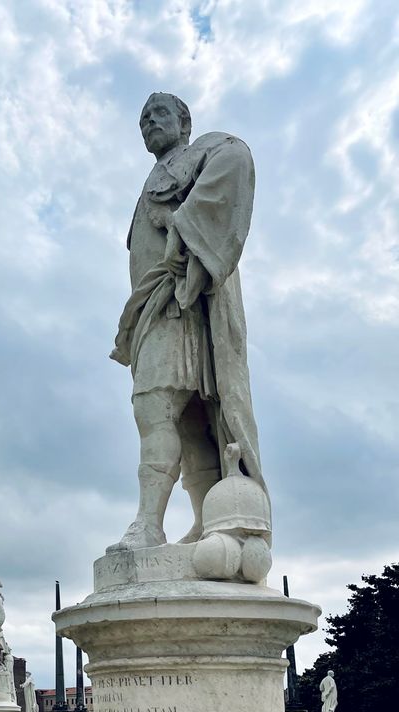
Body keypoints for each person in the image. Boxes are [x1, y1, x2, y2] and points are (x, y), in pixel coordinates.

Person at [110, 92, 264, 549]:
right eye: (142, 120)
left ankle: (148, 523)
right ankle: (206, 522)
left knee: (155, 405)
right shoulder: (153, 177)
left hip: (179, 302)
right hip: (152, 306)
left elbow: (239, 159)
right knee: (190, 420)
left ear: (185, 121)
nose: (148, 123)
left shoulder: (209, 149)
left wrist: (181, 225)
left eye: (157, 114)